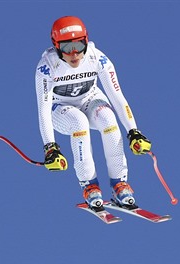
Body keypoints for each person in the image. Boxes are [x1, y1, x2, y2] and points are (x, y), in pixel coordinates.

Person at [35, 16, 151, 209]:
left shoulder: (97, 58)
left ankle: (119, 184)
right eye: (66, 48)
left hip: (89, 100)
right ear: (56, 46)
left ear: (86, 41)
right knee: (79, 122)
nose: (74, 54)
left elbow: (117, 97)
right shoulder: (46, 68)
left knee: (108, 118)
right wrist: (50, 147)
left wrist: (133, 131)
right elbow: (43, 110)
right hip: (60, 108)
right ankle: (90, 186)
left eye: (79, 46)